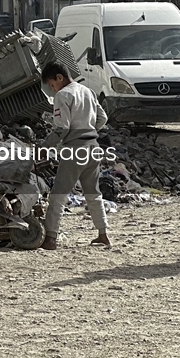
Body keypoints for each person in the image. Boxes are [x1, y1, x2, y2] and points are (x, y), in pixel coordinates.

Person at [39, 62, 111, 250]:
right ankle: (103, 234)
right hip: (93, 147)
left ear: (59, 78)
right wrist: (89, 131)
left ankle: (51, 238)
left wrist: (45, 146)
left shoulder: (63, 95)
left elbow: (62, 128)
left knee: (58, 195)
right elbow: (102, 118)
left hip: (74, 150)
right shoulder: (87, 91)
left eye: (51, 84)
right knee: (93, 193)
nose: (52, 89)